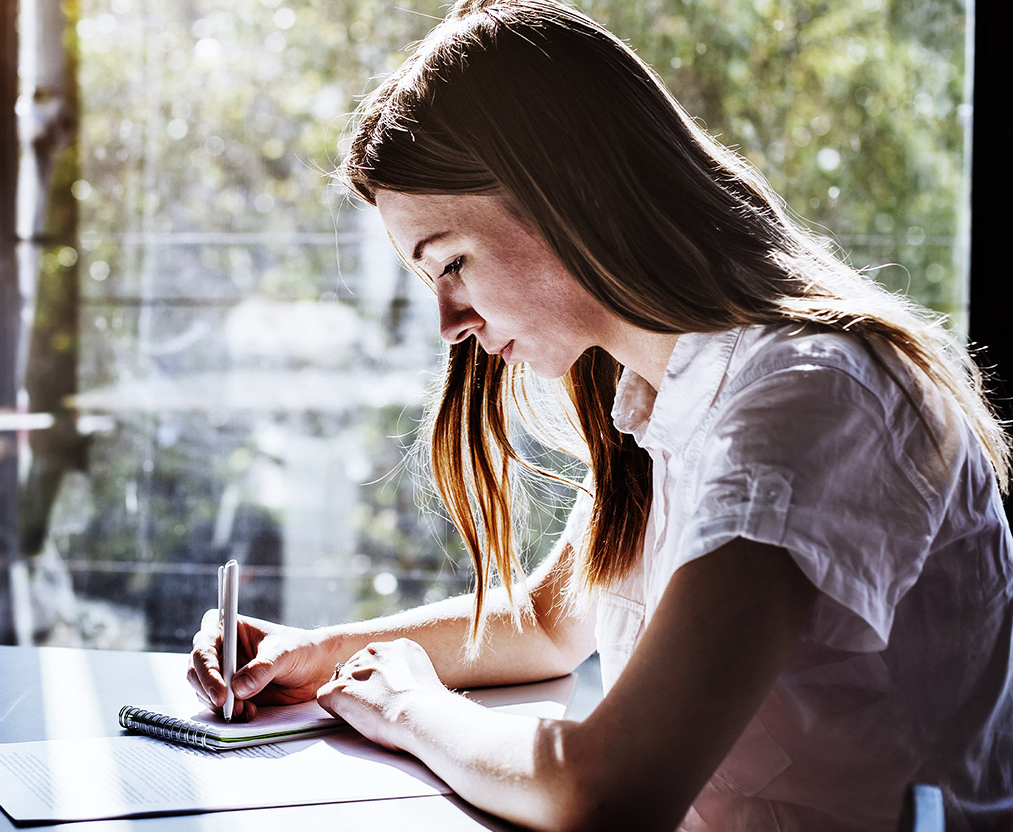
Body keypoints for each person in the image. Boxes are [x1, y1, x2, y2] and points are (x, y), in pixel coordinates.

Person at [186, 1, 1013, 829]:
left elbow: (607, 790)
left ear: (567, 194)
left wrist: (409, 708)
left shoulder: (807, 399)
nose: (450, 324)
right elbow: (551, 624)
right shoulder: (659, 396)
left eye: (453, 263)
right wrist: (323, 655)